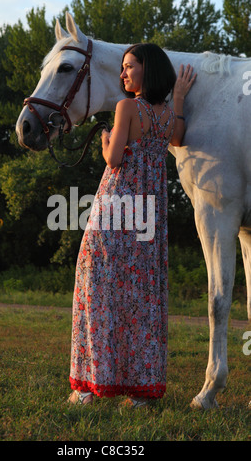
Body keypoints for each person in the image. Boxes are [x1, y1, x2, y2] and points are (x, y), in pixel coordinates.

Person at [68, 43, 196, 407]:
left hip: (115, 207)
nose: (123, 74)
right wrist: (180, 99)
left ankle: (89, 386)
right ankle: (141, 391)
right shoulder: (169, 116)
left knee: (95, 286)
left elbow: (114, 156)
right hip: (148, 216)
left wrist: (107, 137)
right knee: (142, 295)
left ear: (147, 71)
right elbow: (179, 137)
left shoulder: (126, 108)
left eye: (129, 67)